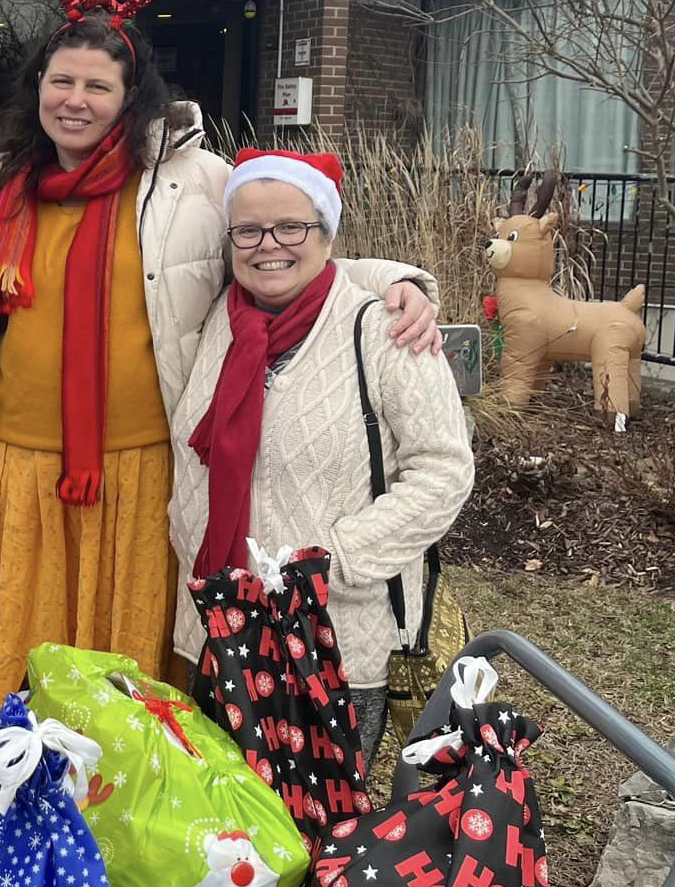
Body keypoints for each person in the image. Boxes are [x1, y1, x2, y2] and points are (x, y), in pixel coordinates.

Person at [0, 0, 442, 742]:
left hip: (140, 471)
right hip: (19, 470)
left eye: (97, 86)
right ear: (36, 88)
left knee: (126, 670)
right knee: (26, 662)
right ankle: (20, 811)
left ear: (130, 98)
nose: (75, 99)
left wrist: (402, 281)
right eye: (60, 80)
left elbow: (289, 238)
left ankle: (129, 820)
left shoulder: (191, 182)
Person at [171, 149, 475, 752]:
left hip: (329, 633)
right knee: (221, 832)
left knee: (318, 836)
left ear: (327, 234)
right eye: (249, 230)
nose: (268, 245)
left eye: (291, 227)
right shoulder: (219, 321)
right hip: (213, 625)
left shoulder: (387, 331)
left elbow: (444, 471)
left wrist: (335, 560)